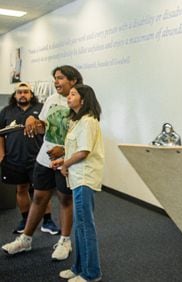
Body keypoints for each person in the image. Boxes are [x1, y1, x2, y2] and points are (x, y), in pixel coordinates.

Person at [2, 65, 83, 261]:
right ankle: (26, 239)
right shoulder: (52, 99)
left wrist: (64, 150)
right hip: (44, 158)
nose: (56, 81)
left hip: (67, 160)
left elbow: (85, 135)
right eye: (55, 77)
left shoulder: (82, 101)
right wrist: (32, 119)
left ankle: (65, 241)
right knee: (38, 197)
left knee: (65, 199)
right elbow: (44, 126)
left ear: (73, 80)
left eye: (60, 78)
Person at [52, 84, 104, 282]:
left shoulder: (89, 121)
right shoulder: (77, 121)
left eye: (73, 94)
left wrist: (65, 164)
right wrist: (62, 160)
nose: (68, 96)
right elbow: (76, 148)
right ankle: (79, 267)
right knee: (79, 225)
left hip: (85, 177)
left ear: (83, 100)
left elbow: (84, 152)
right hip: (76, 177)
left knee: (85, 225)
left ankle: (92, 273)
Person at [0, 82, 60, 235]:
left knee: (42, 191)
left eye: (26, 92)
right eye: (19, 92)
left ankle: (47, 221)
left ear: (31, 94)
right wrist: (1, 153)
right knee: (21, 189)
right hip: (14, 158)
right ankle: (25, 219)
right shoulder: (6, 111)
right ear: (15, 95)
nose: (22, 94)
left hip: (38, 158)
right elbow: (0, 134)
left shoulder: (40, 109)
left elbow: (50, 128)